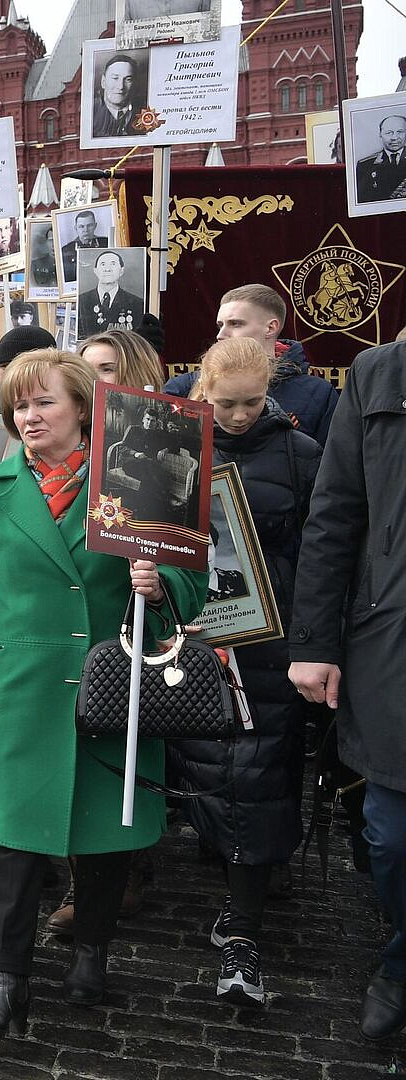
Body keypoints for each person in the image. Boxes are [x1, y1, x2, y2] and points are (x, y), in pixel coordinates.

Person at [0, 349, 205, 1037]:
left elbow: (194, 582)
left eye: (43, 402)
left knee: (105, 836)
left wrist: (159, 582)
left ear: (83, 408)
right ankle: (5, 980)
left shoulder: (135, 483)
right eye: (19, 405)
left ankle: (91, 957)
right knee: (13, 841)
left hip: (115, 686)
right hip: (22, 691)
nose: (28, 416)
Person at [165, 337, 319, 1007]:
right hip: (192, 635)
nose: (235, 416)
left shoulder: (300, 454)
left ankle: (246, 917)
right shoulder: (170, 449)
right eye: (222, 404)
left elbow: (324, 552)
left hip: (269, 639)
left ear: (272, 394)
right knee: (206, 766)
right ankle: (229, 875)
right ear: (201, 392)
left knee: (259, 774)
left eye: (250, 403)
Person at [289, 336, 406, 1040]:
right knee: (391, 837)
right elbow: (334, 513)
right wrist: (313, 644)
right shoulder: (380, 372)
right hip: (393, 640)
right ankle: (400, 959)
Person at [160, 284, 339, 443]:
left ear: (271, 327)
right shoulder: (182, 388)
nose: (220, 335)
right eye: (220, 325)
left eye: (235, 324)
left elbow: (331, 468)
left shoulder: (318, 394)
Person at [80, 251, 145, 336]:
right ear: (95, 271)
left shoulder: (137, 303)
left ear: (121, 270)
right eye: (103, 264)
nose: (108, 269)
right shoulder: (82, 300)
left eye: (113, 264)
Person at [353, 114, 406, 203]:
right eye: (389, 133)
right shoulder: (365, 165)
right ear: (380, 134)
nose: (394, 138)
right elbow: (362, 201)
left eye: (400, 132)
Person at [92, 53, 143, 139]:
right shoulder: (91, 112)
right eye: (115, 78)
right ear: (103, 82)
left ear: (134, 84)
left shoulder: (144, 111)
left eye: (128, 80)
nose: (121, 86)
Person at [61, 210, 109, 283]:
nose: (85, 230)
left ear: (95, 226)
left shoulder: (106, 243)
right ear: (76, 228)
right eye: (81, 226)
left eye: (89, 225)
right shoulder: (65, 250)